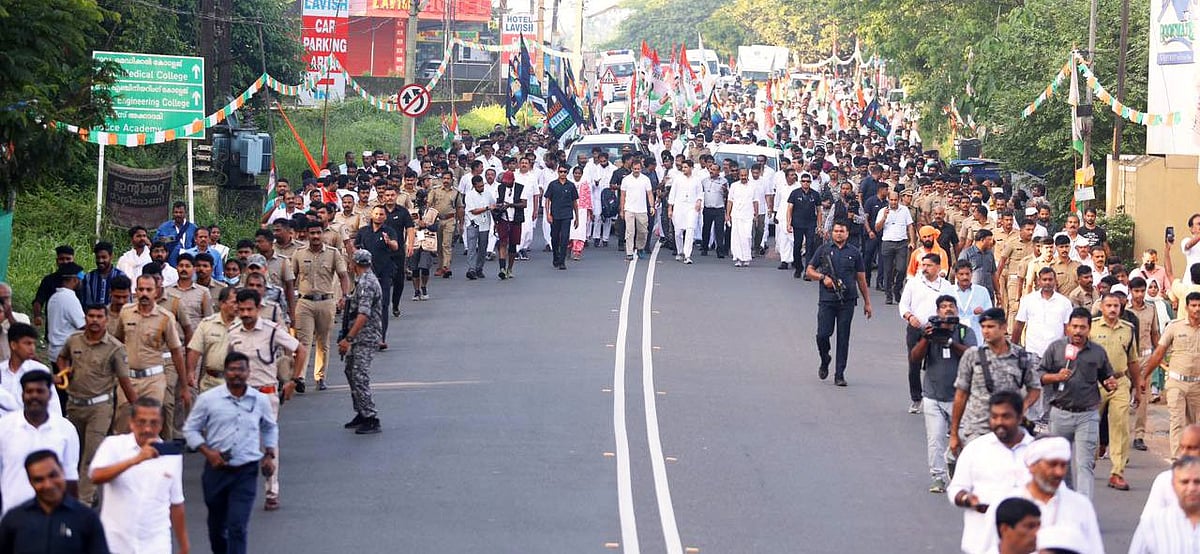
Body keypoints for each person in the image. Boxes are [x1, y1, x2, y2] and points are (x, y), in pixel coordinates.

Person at [182, 352, 278, 554]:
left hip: (246, 471)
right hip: (216, 470)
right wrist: (208, 453)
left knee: (237, 526)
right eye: (232, 369)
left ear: (248, 372)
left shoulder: (259, 400)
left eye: (241, 369)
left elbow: (269, 427)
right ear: (225, 372)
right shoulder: (208, 399)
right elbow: (190, 429)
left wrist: (269, 453)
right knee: (217, 529)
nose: (237, 374)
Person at [226, 289, 304, 511]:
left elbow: (300, 349)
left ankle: (272, 491)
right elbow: (228, 364)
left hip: (267, 395)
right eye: (241, 310)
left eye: (250, 309)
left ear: (259, 308)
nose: (246, 313)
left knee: (269, 445)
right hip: (241, 396)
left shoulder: (271, 332)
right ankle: (242, 488)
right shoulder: (233, 333)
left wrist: (293, 381)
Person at [54, 305, 135, 506]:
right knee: (75, 454)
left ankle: (83, 502)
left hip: (100, 408)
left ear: (106, 320)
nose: (95, 320)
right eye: (91, 316)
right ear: (85, 318)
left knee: (91, 454)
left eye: (99, 316)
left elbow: (125, 382)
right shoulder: (74, 340)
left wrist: (140, 408)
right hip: (74, 406)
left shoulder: (115, 348)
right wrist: (65, 370)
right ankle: (86, 491)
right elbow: (61, 357)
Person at [89, 397, 188, 553]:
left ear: (161, 425)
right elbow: (96, 476)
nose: (147, 429)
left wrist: (184, 546)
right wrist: (136, 459)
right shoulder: (113, 445)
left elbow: (176, 502)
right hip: (116, 542)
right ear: (132, 423)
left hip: (155, 542)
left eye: (154, 423)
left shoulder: (172, 455)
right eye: (141, 422)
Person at [1039, 307, 1118, 499]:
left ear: (1089, 329)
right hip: (1059, 413)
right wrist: (1056, 377)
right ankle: (1066, 505)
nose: (1078, 331)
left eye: (1082, 327)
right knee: (1060, 464)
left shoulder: (1098, 352)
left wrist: (1110, 383)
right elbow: (1039, 376)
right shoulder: (1055, 348)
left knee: (1085, 464)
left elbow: (1107, 378)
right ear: (1067, 328)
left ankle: (1084, 512)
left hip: (1087, 415)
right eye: (1074, 327)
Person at [978, 436, 1104, 554]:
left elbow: (1095, 550)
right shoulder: (1005, 504)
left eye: (1063, 465)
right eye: (1052, 464)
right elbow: (986, 549)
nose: (1059, 472)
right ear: (1032, 465)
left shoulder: (1080, 505)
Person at [947, 391, 1035, 554]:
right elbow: (955, 490)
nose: (999, 422)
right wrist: (966, 499)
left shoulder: (1037, 451)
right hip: (982, 543)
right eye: (994, 417)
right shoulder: (976, 449)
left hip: (1026, 545)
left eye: (1006, 416)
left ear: (1020, 416)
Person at [950, 308, 1043, 456]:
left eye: (991, 327)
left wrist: (1022, 407)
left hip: (1008, 430)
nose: (986, 331)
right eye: (983, 327)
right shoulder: (973, 356)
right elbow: (961, 395)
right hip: (977, 429)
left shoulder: (1020, 356)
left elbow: (1035, 388)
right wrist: (954, 433)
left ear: (1004, 327)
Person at [912, 294, 976, 493]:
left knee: (963, 439)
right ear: (937, 311)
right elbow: (914, 358)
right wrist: (926, 338)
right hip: (933, 395)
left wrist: (950, 343)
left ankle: (954, 464)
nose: (948, 309)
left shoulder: (965, 331)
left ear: (956, 310)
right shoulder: (929, 330)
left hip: (960, 397)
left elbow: (973, 355)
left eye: (951, 306)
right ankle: (938, 477)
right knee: (935, 438)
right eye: (944, 307)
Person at [112, 275, 185, 434]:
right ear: (136, 291)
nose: (144, 293)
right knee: (123, 426)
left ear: (156, 292)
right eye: (141, 289)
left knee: (149, 426)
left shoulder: (165, 318)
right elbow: (117, 342)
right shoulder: (126, 312)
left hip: (153, 380)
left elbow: (176, 352)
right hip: (128, 379)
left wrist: (184, 386)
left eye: (148, 290)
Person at [0, 371, 80, 515]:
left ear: (49, 395)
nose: (34, 396)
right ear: (22, 395)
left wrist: (72, 518)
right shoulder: (4, 427)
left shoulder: (66, 429)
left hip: (54, 516)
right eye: (29, 391)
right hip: (12, 514)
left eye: (40, 391)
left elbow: (70, 477)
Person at [805, 220, 873, 387]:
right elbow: (809, 270)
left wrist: (867, 302)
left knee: (843, 338)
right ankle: (825, 358)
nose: (839, 234)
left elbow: (861, 279)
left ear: (847, 233)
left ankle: (840, 374)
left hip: (847, 300)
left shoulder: (855, 253)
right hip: (827, 300)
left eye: (842, 231)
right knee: (822, 335)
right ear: (832, 232)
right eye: (836, 231)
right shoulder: (824, 250)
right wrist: (823, 278)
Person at [0, 450, 107, 553]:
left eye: (53, 475)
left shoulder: (87, 519)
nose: (48, 485)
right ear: (30, 482)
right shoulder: (14, 519)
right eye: (39, 479)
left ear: (63, 472)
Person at [290, 220, 350, 391]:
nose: (315, 236)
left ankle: (320, 377)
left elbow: (343, 275)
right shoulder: (299, 253)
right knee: (304, 340)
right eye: (312, 233)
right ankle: (300, 377)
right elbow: (291, 279)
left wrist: (344, 296)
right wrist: (290, 301)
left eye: (318, 233)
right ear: (307, 234)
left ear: (323, 234)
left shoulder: (333, 254)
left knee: (323, 342)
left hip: (326, 302)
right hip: (304, 302)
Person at [1089, 293, 1140, 491]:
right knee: (1091, 423)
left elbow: (1133, 360)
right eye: (1108, 305)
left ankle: (1117, 472)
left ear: (1121, 308)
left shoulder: (1128, 330)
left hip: (1119, 381)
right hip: (1094, 383)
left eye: (1116, 306)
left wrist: (1138, 386)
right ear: (1101, 307)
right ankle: (1088, 459)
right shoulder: (1091, 327)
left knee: (1120, 425)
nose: (1112, 309)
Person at [1141, 291, 1200, 460]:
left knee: (1193, 426)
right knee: (1177, 421)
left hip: (1197, 386)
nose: (1197, 309)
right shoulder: (1174, 327)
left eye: (1199, 305)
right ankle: (1176, 460)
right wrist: (1144, 377)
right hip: (1176, 383)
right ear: (1187, 307)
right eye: (1193, 305)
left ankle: (1192, 460)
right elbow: (1159, 353)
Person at [899, 253, 955, 413]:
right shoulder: (913, 284)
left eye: (929, 265)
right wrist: (910, 317)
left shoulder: (946, 286)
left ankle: (938, 400)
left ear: (938, 267)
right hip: (916, 329)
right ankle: (916, 398)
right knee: (914, 364)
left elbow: (953, 306)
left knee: (938, 364)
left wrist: (945, 321)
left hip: (938, 330)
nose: (925, 268)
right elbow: (903, 305)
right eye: (923, 265)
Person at [338, 250, 383, 434]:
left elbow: (363, 314)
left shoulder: (366, 282)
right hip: (359, 334)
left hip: (364, 335)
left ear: (354, 264)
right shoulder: (363, 281)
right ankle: (361, 411)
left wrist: (348, 339)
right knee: (350, 370)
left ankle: (371, 417)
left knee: (359, 374)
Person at [354, 206, 406, 345]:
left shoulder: (389, 231)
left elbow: (396, 246)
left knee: (383, 305)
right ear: (371, 215)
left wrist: (389, 242)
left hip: (384, 272)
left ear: (385, 217)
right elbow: (355, 249)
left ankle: (381, 338)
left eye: (381, 214)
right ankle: (365, 335)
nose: (378, 216)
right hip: (366, 274)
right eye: (376, 214)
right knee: (365, 305)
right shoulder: (363, 232)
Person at [1128, 456, 1200, 553]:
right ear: (1173, 485)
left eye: (1197, 482)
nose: (1191, 488)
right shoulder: (1152, 524)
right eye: (1185, 482)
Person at [1128, 277, 1162, 452]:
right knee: (1122, 397)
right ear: (1130, 291)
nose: (1139, 295)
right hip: (1126, 360)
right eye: (1136, 291)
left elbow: (1155, 334)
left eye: (1142, 291)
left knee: (1142, 398)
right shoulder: (1124, 310)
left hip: (1145, 358)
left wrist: (1160, 354)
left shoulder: (1151, 309)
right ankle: (1119, 433)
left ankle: (1139, 435)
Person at [2, 323, 62, 417]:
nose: (32, 348)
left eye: (34, 343)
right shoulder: (1, 370)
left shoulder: (40, 370)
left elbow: (53, 405)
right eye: (27, 343)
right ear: (13, 345)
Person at [1142, 424, 1200, 519]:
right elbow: (1148, 521)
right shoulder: (1164, 480)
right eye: (1182, 448)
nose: (1185, 453)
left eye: (1191, 448)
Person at [186, 286, 237, 394]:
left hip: (236, 382)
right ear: (222, 304)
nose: (237, 306)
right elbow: (195, 350)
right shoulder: (207, 324)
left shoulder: (244, 325)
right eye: (234, 302)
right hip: (210, 383)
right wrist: (191, 372)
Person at [874, 190, 916, 305]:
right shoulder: (882, 211)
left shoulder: (905, 210)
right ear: (888, 200)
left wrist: (912, 241)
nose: (893, 202)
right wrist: (884, 218)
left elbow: (910, 226)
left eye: (895, 200)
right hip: (887, 242)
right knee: (887, 270)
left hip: (901, 243)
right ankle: (888, 294)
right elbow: (877, 228)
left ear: (899, 200)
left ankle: (897, 289)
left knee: (901, 269)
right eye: (891, 200)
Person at [493, 171, 528, 280]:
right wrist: (500, 207)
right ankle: (502, 268)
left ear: (513, 180)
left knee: (513, 245)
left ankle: (510, 268)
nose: (506, 184)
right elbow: (495, 203)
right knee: (503, 242)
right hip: (503, 219)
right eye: (504, 182)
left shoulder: (521, 188)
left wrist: (511, 205)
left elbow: (524, 204)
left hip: (516, 220)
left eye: (508, 182)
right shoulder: (499, 188)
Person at [47, 263, 86, 363]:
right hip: (65, 352)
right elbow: (83, 325)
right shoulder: (69, 298)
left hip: (54, 351)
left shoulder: (54, 297)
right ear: (74, 279)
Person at [543, 165, 579, 270]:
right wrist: (548, 214)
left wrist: (577, 217)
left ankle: (562, 261)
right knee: (554, 237)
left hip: (567, 215)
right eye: (561, 172)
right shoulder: (553, 185)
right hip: (555, 214)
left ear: (567, 173)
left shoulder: (571, 185)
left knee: (565, 237)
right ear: (558, 173)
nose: (562, 174)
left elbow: (575, 202)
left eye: (564, 172)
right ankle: (556, 255)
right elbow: (547, 200)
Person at [620, 159, 655, 262]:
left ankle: (640, 247)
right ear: (631, 168)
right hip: (629, 209)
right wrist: (622, 210)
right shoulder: (626, 180)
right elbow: (623, 195)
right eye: (634, 169)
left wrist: (651, 206)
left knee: (643, 231)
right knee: (630, 232)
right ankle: (629, 253)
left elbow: (649, 194)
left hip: (642, 209)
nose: (636, 170)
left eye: (638, 169)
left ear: (641, 169)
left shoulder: (645, 179)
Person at [787, 171, 821, 274]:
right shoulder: (795, 193)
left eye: (807, 181)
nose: (805, 183)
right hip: (797, 223)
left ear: (810, 182)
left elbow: (819, 211)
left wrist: (819, 225)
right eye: (803, 181)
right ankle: (798, 267)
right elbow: (789, 209)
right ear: (800, 182)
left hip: (811, 223)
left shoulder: (815, 194)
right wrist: (788, 223)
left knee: (810, 247)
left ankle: (808, 271)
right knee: (797, 246)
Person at [668, 159, 702, 265]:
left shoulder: (697, 180)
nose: (684, 169)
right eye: (683, 167)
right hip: (679, 208)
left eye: (686, 167)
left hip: (691, 208)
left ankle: (687, 255)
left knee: (690, 230)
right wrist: (670, 209)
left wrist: (699, 202)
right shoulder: (678, 179)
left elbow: (700, 193)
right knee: (678, 232)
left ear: (691, 168)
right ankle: (680, 251)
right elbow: (672, 194)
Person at [952, 260, 994, 344]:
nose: (965, 277)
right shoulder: (948, 290)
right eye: (961, 274)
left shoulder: (982, 291)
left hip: (976, 335)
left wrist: (983, 313)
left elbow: (990, 315)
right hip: (954, 335)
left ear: (972, 274)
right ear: (956, 275)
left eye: (967, 274)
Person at [726, 168, 759, 267]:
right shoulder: (734, 186)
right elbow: (730, 201)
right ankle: (739, 258)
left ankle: (746, 257)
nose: (743, 177)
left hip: (748, 215)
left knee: (746, 236)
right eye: (742, 175)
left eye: (745, 175)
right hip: (736, 214)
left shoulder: (753, 187)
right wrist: (727, 214)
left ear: (748, 175)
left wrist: (756, 215)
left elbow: (755, 201)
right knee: (736, 237)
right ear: (739, 176)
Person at [81, 242, 125, 308]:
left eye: (104, 257)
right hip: (94, 317)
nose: (100, 260)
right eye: (98, 257)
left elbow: (126, 303)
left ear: (111, 256)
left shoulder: (121, 277)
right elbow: (86, 303)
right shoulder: (89, 277)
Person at [699, 163, 728, 258]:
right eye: (711, 169)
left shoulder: (723, 181)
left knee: (719, 230)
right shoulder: (704, 181)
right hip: (708, 208)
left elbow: (726, 194)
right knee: (706, 229)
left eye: (714, 169)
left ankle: (720, 250)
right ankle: (704, 248)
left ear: (718, 172)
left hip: (719, 209)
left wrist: (725, 191)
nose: (712, 171)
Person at [155, 201, 196, 265]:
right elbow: (157, 242)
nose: (178, 215)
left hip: (189, 263)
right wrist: (171, 238)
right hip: (170, 264)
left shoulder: (193, 228)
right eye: (176, 212)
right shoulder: (164, 227)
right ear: (172, 213)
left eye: (181, 212)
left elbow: (197, 245)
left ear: (185, 213)